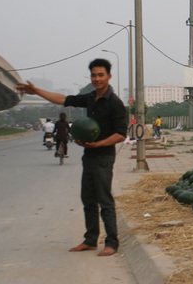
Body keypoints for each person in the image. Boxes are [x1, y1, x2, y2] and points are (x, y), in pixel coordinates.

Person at [16, 58, 127, 257]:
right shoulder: (90, 98)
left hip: (103, 156)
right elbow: (63, 99)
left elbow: (121, 134)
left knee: (105, 200)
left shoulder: (115, 103)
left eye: (101, 75)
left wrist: (98, 144)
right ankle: (91, 240)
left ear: (109, 76)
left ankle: (112, 242)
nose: (97, 78)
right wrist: (37, 91)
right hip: (89, 155)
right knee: (88, 199)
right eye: (93, 75)